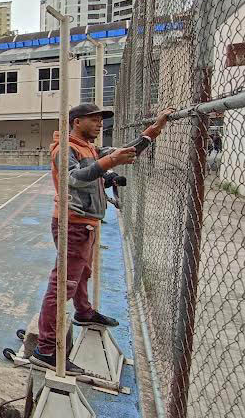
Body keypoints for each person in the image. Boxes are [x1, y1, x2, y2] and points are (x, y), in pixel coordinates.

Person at [31, 103, 174, 373]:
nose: (99, 124)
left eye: (100, 120)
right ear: (75, 122)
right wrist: (109, 163)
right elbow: (74, 178)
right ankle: (46, 349)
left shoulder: (88, 148)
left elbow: (125, 152)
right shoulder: (66, 149)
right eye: (93, 119)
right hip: (72, 224)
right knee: (63, 285)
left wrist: (154, 130)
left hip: (86, 223)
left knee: (83, 273)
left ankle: (83, 312)